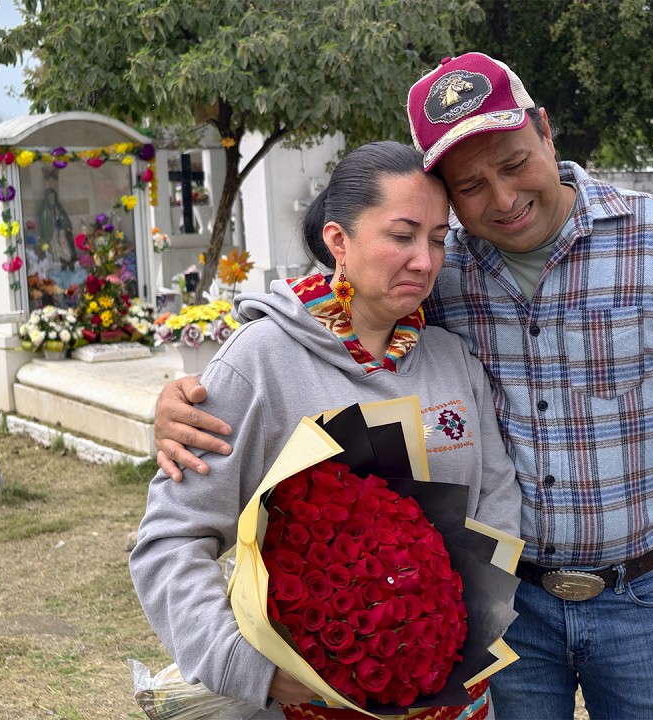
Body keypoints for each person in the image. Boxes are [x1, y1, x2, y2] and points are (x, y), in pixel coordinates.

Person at [153, 52, 653, 719]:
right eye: (469, 186)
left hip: (642, 598)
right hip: (511, 616)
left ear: (544, 130)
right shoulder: (445, 266)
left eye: (513, 163)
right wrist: (192, 397)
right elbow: (337, 307)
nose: (501, 199)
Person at [129, 141, 522, 719]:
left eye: (438, 239)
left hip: (448, 697)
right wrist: (249, 665)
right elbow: (172, 539)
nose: (424, 260)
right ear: (339, 241)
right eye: (402, 235)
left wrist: (466, 624)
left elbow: (495, 501)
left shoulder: (451, 359)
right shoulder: (260, 361)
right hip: (304, 705)